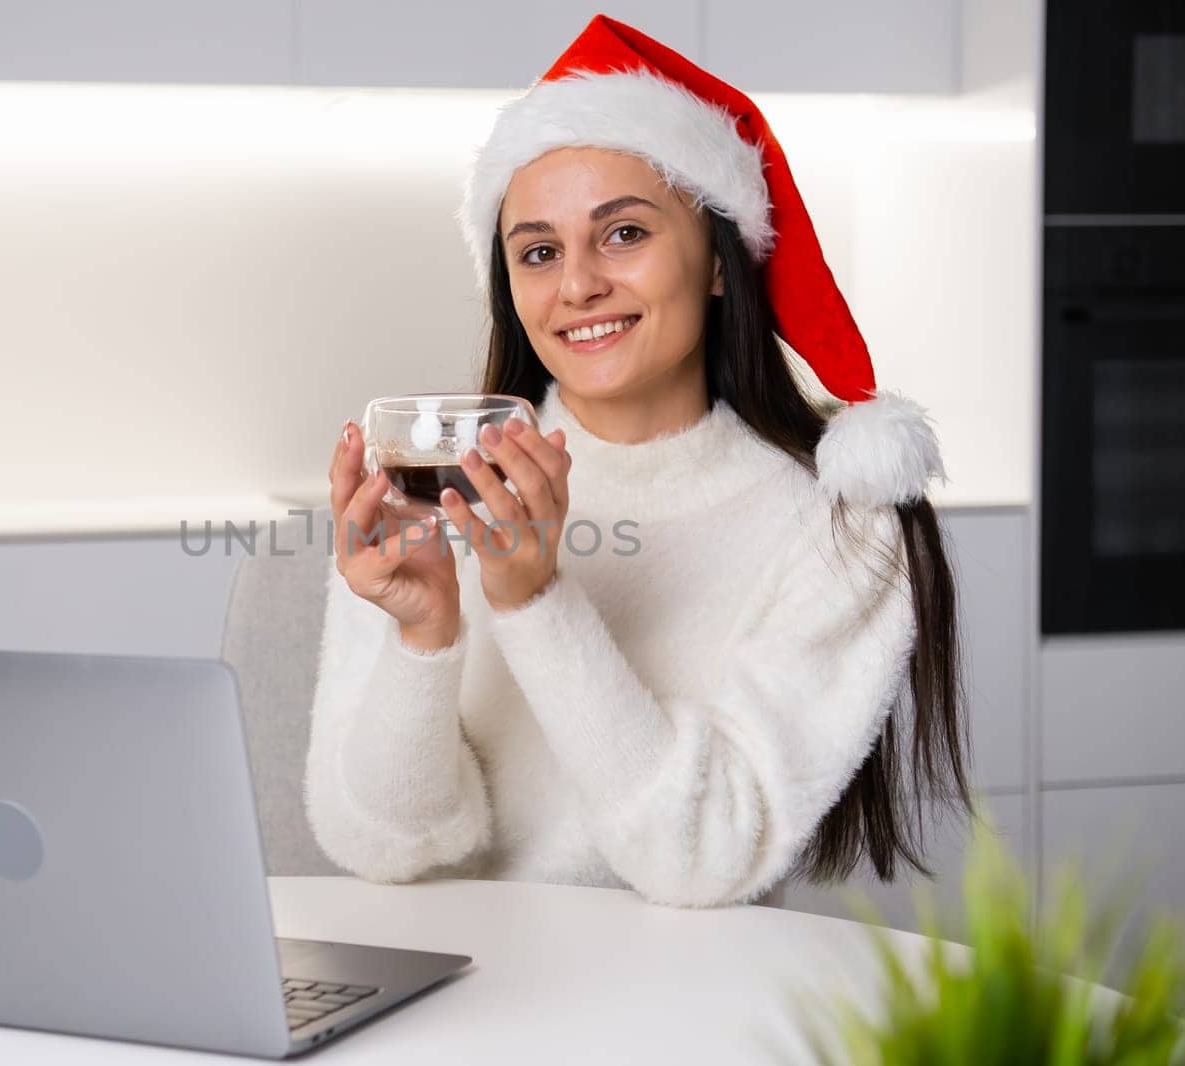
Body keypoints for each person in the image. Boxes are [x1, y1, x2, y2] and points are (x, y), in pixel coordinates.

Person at [304, 14, 970, 907]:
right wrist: (425, 636)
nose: (577, 284)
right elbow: (384, 848)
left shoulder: (841, 522)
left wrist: (536, 600)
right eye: (538, 252)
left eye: (623, 234)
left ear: (719, 263)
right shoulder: (434, 492)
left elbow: (703, 859)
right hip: (451, 995)